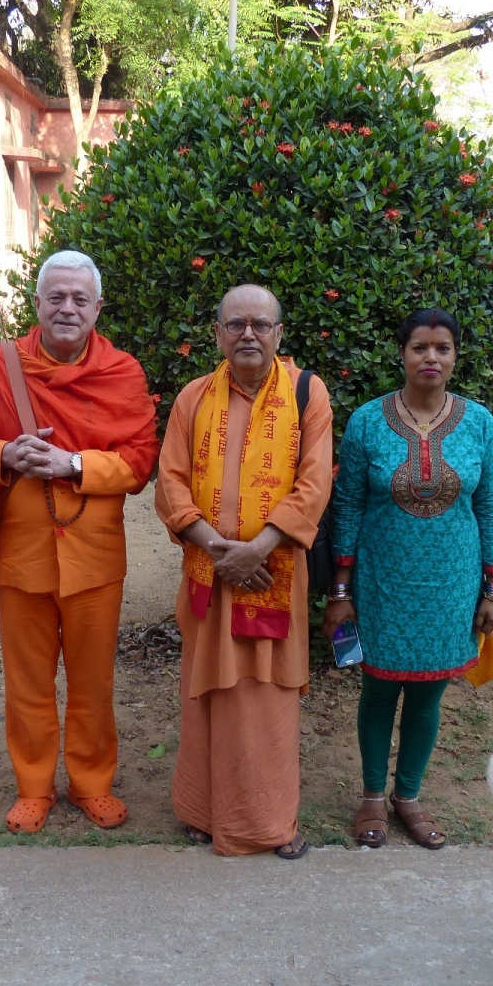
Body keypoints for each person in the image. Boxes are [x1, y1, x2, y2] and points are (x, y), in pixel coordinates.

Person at [0, 250, 159, 834]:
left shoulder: (122, 373)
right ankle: (34, 786)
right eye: (55, 297)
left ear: (97, 308)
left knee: (93, 682)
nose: (67, 308)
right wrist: (3, 454)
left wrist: (74, 463)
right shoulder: (0, 365)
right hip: (23, 554)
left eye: (80, 299)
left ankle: (92, 783)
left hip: (95, 557)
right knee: (28, 682)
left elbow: (140, 461)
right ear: (36, 302)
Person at [155, 284, 333, 859]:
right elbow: (170, 482)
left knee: (265, 697)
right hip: (210, 574)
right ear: (218, 334)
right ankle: (203, 812)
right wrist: (220, 550)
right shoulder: (193, 397)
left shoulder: (307, 393)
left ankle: (267, 822)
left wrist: (259, 548)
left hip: (271, 577)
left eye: (260, 324)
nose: (248, 334)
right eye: (236, 324)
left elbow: (314, 483)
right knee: (207, 690)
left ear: (279, 334)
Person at [324, 308, 493, 849]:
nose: (431, 357)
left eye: (442, 348)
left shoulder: (478, 423)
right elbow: (347, 507)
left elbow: (491, 505)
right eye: (420, 347)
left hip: (451, 584)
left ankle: (408, 797)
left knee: (429, 695)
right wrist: (340, 590)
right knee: (379, 689)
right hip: (383, 582)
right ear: (402, 354)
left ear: (455, 357)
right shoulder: (367, 421)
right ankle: (372, 797)